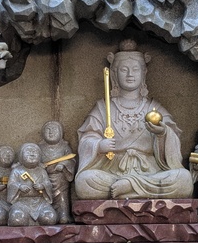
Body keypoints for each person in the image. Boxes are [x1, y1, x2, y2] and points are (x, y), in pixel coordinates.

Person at [75, 39, 192, 200]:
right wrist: (99, 145)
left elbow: (173, 142)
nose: (130, 74)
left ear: (144, 73)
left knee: (184, 179)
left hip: (150, 171)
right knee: (84, 181)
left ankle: (129, 187)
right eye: (124, 69)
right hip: (113, 172)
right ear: (114, 74)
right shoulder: (103, 108)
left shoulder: (154, 108)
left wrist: (162, 134)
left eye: (135, 69)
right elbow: (87, 138)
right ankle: (136, 189)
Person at [6, 143, 57, 226]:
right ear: (21, 156)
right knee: (17, 219)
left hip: (41, 203)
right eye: (28, 152)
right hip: (21, 203)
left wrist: (43, 186)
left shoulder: (42, 171)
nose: (32, 154)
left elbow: (48, 184)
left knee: (50, 218)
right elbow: (11, 184)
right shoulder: (16, 171)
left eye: (35, 152)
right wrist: (19, 187)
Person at [38, 121, 76, 224]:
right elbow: (34, 162)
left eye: (54, 130)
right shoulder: (39, 148)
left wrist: (63, 164)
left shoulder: (64, 147)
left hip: (60, 177)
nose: (51, 132)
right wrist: (39, 166)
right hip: (44, 178)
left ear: (61, 133)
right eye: (48, 130)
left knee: (62, 196)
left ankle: (63, 214)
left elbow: (71, 160)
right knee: (44, 195)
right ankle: (46, 215)